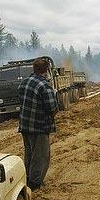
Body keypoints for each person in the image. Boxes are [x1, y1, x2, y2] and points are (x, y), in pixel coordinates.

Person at [18, 58, 59, 190]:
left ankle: (27, 179)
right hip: (39, 127)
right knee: (41, 157)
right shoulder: (45, 86)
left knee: (29, 154)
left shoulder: (24, 82)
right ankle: (34, 184)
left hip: (25, 126)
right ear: (46, 70)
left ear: (34, 69)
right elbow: (52, 108)